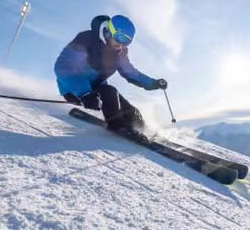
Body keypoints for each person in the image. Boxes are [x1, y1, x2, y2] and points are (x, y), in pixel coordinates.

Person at [54, 15, 167, 143]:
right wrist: (83, 92)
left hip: (96, 87)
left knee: (132, 112)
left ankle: (142, 128)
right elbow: (63, 67)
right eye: (120, 37)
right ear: (109, 31)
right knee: (110, 92)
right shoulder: (87, 39)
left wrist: (153, 83)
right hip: (73, 87)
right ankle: (118, 126)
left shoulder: (120, 53)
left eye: (127, 41)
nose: (121, 44)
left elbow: (130, 73)